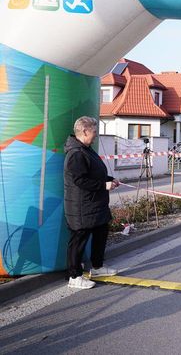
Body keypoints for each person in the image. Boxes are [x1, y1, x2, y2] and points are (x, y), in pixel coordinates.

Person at [64, 116, 119, 289]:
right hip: (82, 206)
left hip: (95, 204)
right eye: (94, 132)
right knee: (78, 240)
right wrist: (104, 185)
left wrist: (109, 179)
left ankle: (97, 267)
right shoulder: (76, 153)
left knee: (101, 232)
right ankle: (74, 276)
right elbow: (79, 181)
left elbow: (93, 173)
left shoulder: (86, 149)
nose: (96, 135)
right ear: (85, 131)